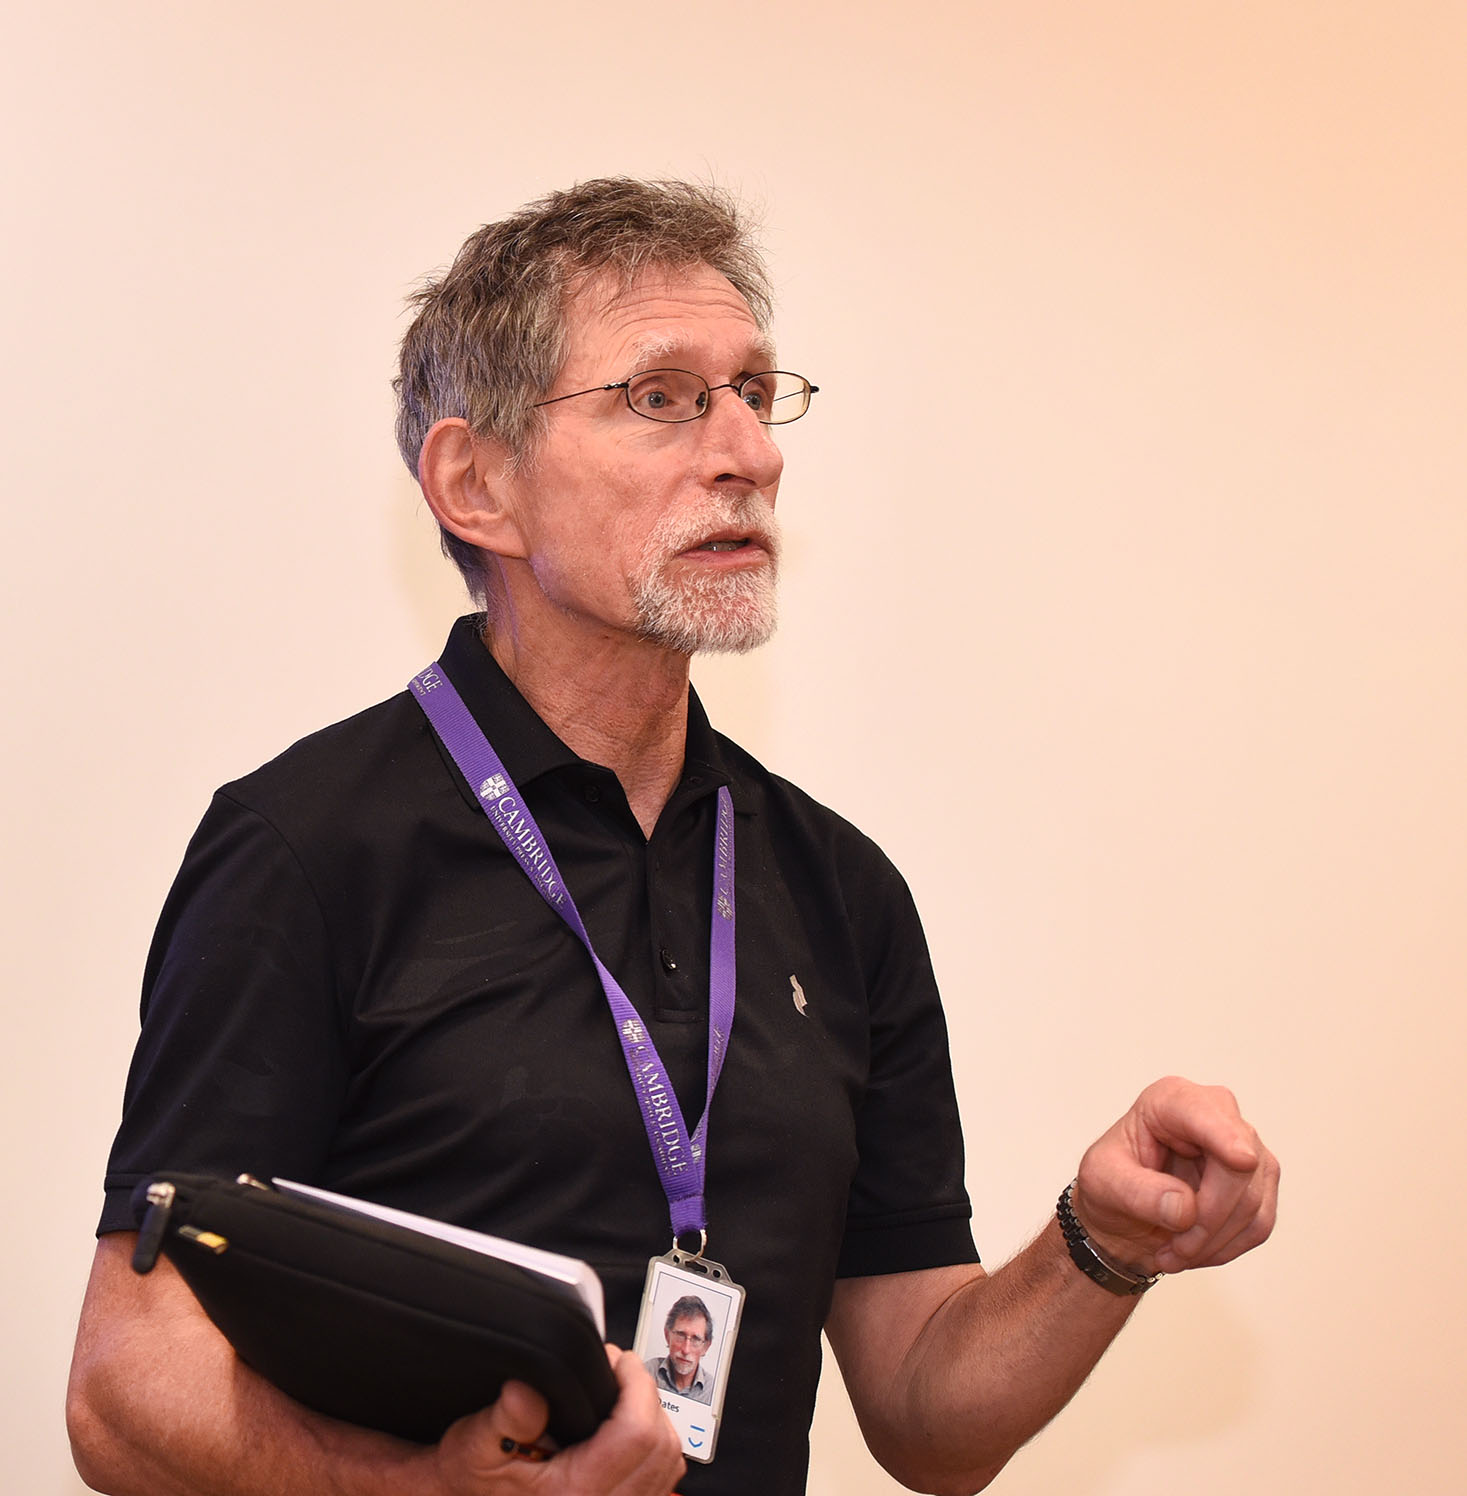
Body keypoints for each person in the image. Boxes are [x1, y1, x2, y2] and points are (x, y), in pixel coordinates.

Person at [64, 179, 1279, 1496]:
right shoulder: (306, 845)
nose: (747, 454)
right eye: (660, 397)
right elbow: (125, 1387)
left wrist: (1096, 1240)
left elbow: (928, 1414)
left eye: (753, 392)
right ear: (477, 482)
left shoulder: (840, 893)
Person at [651, 1298, 713, 1405]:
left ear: (706, 1347)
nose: (686, 1350)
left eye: (696, 1339)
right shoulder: (646, 1372)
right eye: (680, 1335)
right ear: (667, 1335)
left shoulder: (712, 1390)